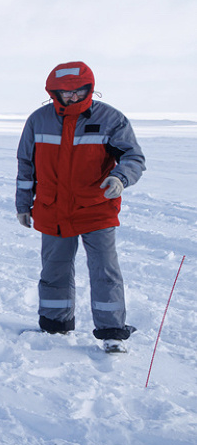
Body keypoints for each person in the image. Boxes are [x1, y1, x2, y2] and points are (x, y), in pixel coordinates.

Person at [15, 61, 146, 352]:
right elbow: (26, 165)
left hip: (96, 209)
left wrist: (120, 177)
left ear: (90, 89)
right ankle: (54, 326)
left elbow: (133, 157)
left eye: (79, 92)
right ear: (54, 92)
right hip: (52, 209)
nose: (72, 98)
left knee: (105, 271)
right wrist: (23, 205)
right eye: (65, 93)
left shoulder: (111, 119)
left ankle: (112, 332)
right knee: (54, 270)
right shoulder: (39, 120)